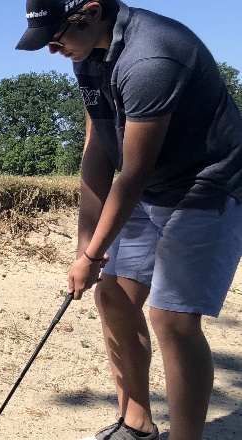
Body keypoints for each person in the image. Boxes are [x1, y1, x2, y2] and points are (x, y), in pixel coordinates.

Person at [16, 0, 242, 439]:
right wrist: (86, 249)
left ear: (93, 11)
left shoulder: (151, 56)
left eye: (58, 37)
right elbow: (98, 151)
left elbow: (132, 174)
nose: (53, 50)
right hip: (152, 187)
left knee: (172, 319)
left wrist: (95, 253)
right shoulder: (88, 55)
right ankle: (136, 425)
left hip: (209, 186)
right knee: (113, 298)